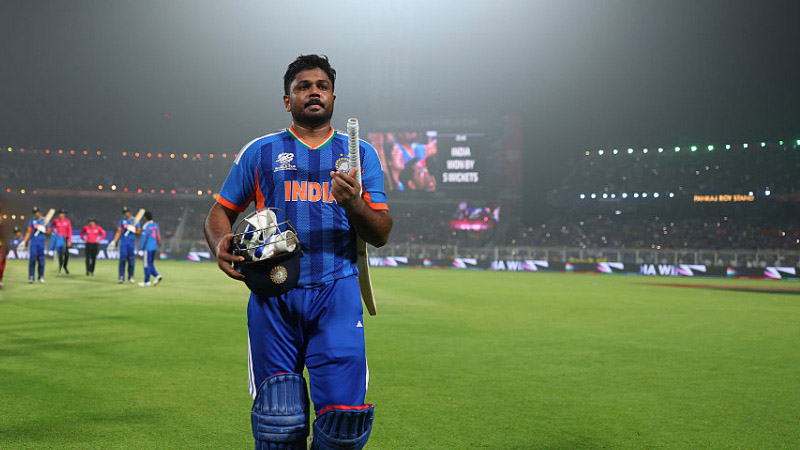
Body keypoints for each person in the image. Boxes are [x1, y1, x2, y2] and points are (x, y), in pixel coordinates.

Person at [204, 54, 392, 449]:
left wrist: (355, 204)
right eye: (303, 87)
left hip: (337, 293)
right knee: (279, 422)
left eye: (322, 86)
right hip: (273, 294)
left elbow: (381, 233)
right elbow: (220, 211)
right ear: (288, 100)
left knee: (342, 424)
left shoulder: (361, 155)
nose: (314, 92)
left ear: (334, 97)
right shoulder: (260, 151)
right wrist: (220, 242)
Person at [107, 206, 141, 284]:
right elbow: (119, 231)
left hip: (131, 243)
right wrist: (114, 241)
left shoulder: (135, 221)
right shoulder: (122, 221)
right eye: (125, 212)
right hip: (123, 243)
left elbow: (139, 231)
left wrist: (134, 230)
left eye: (127, 212)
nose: (126, 213)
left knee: (131, 260)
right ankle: (121, 277)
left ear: (130, 212)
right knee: (122, 259)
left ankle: (131, 276)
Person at [18, 206, 50, 283]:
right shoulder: (32, 221)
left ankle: (41, 276)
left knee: (41, 260)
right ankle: (31, 277)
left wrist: (44, 230)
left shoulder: (45, 221)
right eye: (35, 212)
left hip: (41, 243)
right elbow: (29, 232)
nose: (36, 213)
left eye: (37, 212)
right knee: (33, 259)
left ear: (40, 212)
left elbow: (49, 232)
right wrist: (24, 241)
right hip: (33, 243)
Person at [137, 211, 162, 287]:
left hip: (148, 248)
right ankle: (157, 276)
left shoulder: (146, 226)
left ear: (145, 217)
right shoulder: (156, 225)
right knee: (150, 263)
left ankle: (147, 281)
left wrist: (140, 248)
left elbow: (143, 238)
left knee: (146, 265)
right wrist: (156, 244)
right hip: (154, 247)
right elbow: (158, 237)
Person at [49, 209, 73, 275]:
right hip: (59, 239)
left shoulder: (67, 222)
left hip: (66, 239)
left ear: (64, 214)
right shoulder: (56, 221)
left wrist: (69, 241)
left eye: (62, 213)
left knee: (66, 254)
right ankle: (60, 268)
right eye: (60, 213)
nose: (61, 215)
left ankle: (64, 266)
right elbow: (51, 226)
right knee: (60, 254)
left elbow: (70, 231)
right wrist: (54, 231)